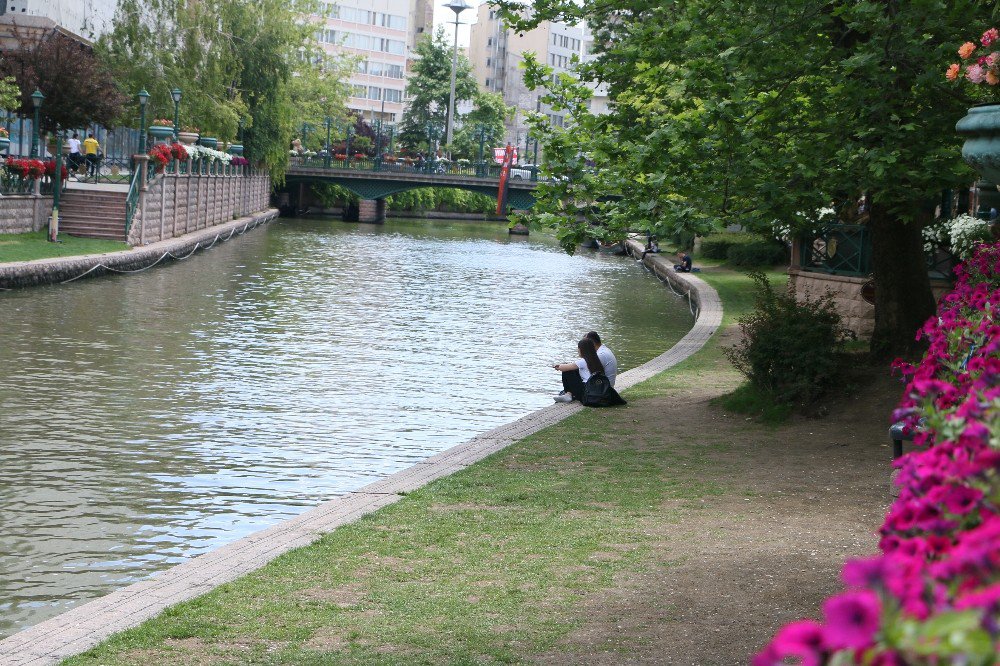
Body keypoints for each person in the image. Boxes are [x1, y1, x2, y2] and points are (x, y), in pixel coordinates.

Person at [553, 338, 605, 402]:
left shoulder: (583, 361)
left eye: (578, 348)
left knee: (567, 371)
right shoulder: (597, 359)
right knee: (573, 369)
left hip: (586, 393)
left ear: (582, 350)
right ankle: (569, 394)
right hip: (596, 389)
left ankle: (568, 394)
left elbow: (563, 368)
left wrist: (557, 366)